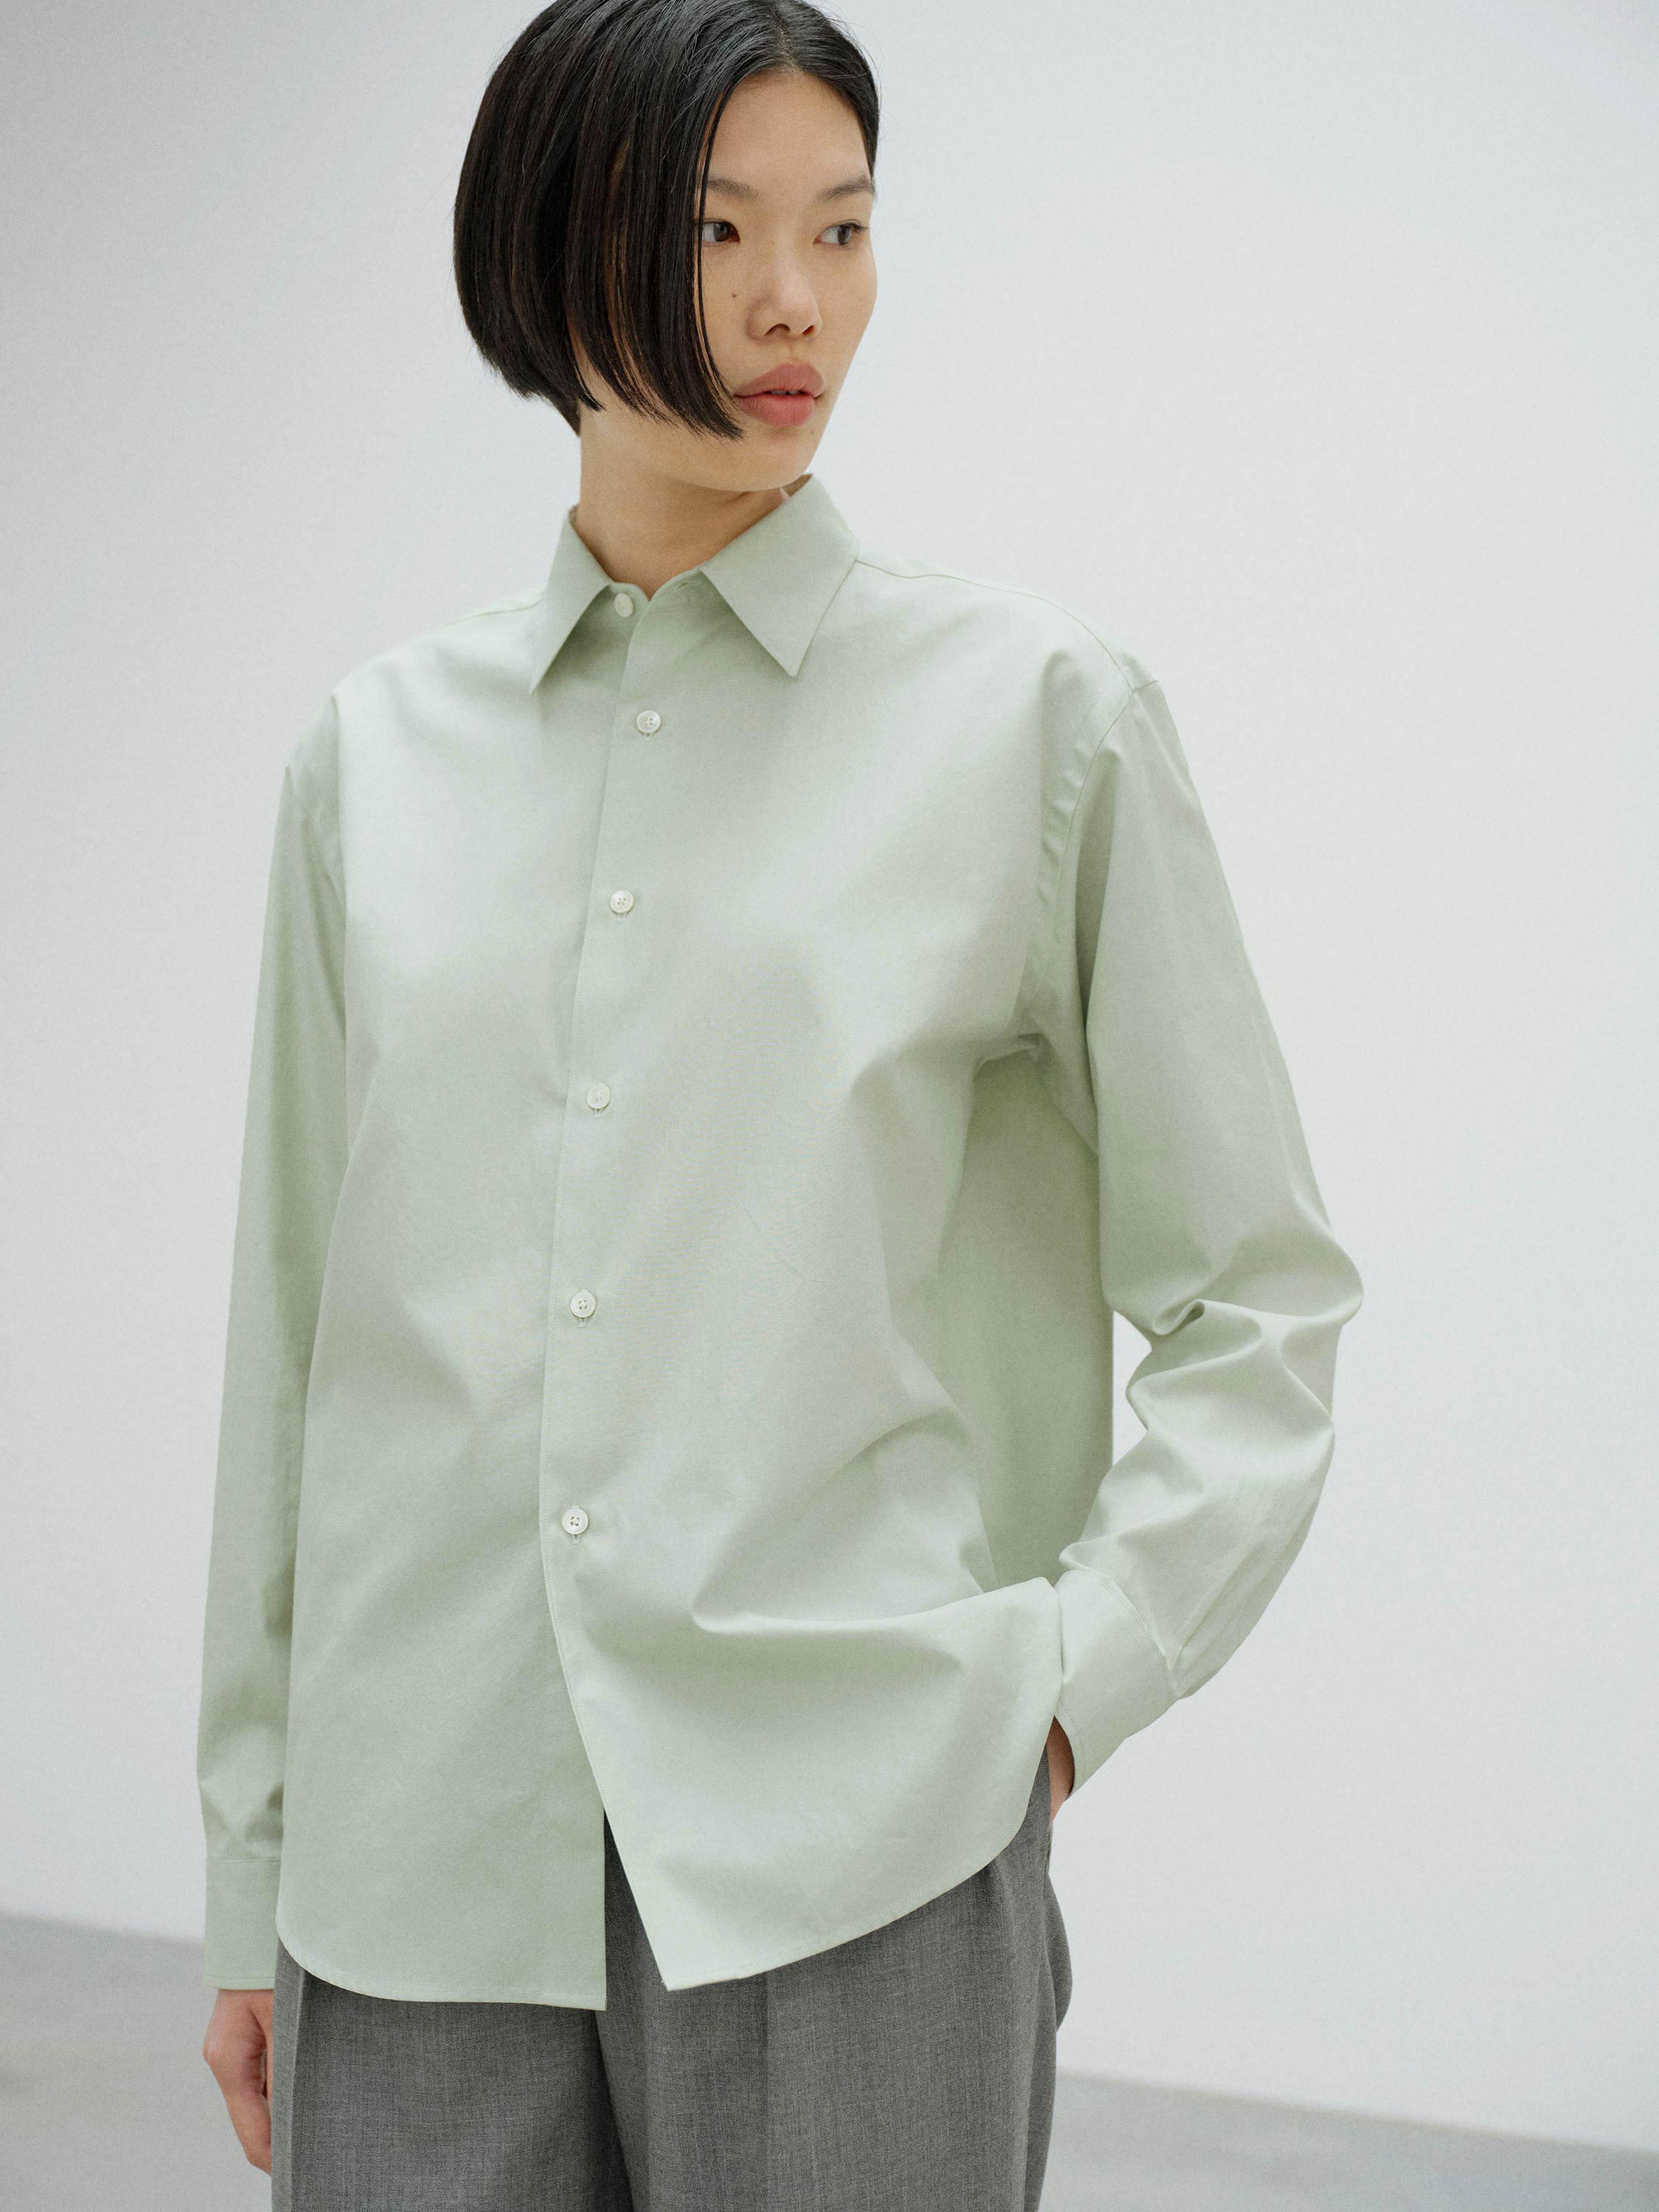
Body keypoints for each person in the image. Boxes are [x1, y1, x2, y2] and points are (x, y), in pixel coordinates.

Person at [195, 1, 1363, 2204]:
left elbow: (1259, 1298)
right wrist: (252, 1867)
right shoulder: (375, 761)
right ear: (549, 247)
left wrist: (1056, 1694)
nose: (792, 301)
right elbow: (298, 1352)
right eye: (718, 227)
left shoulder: (1036, 717)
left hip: (861, 1856)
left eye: (840, 227)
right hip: (409, 1862)